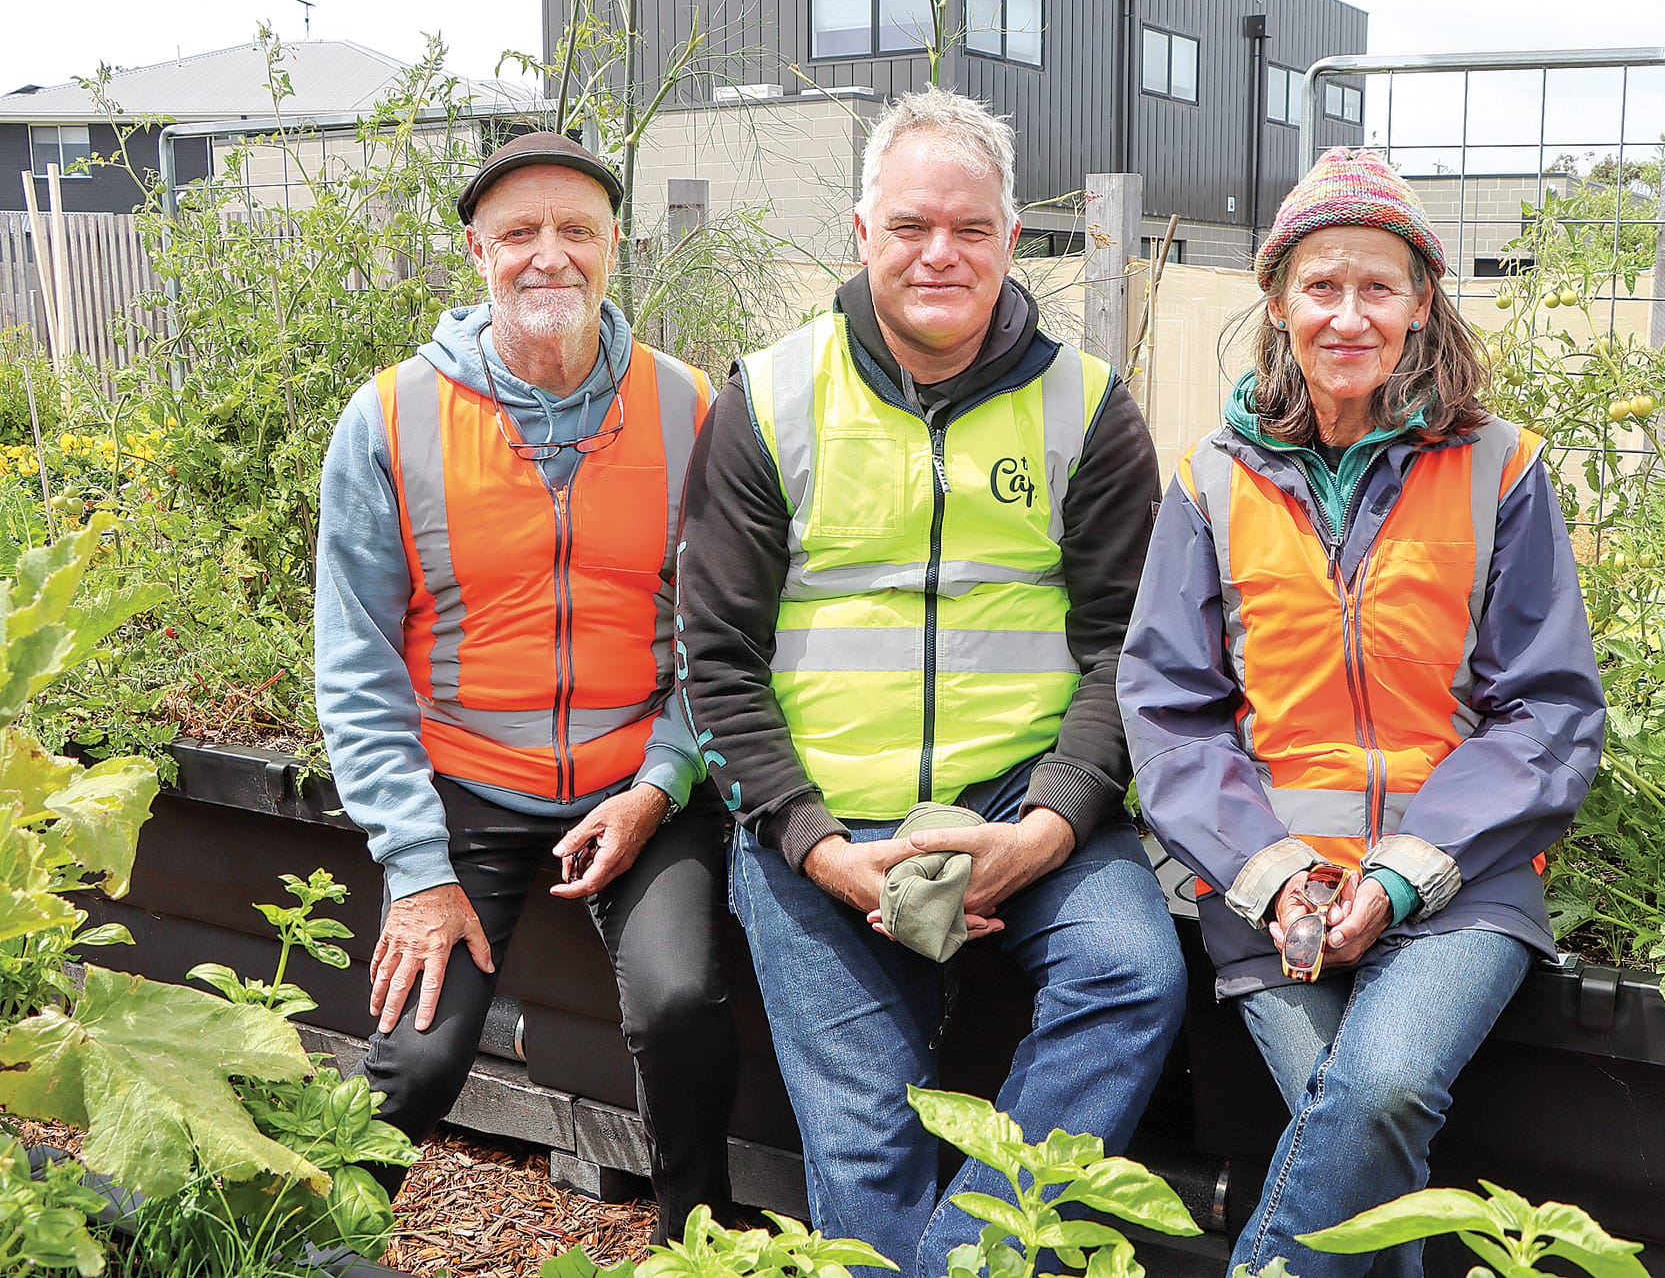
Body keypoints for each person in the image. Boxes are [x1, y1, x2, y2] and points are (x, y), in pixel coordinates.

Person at [675, 86, 1186, 1274]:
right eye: (910, 227)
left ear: (1013, 239)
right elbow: (714, 660)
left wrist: (1055, 822)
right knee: (861, 1145)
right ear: (860, 235)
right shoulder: (767, 398)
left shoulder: (1090, 410)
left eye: (969, 229)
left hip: (1023, 798)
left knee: (1130, 973)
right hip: (824, 817)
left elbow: (1130, 650)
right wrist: (808, 839)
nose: (939, 255)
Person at [1117, 148, 1606, 1276]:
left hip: (1457, 885)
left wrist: (1396, 879)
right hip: (1270, 892)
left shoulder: (1499, 469)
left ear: (1420, 301)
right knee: (1367, 1149)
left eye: (1376, 287)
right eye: (1320, 286)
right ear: (1277, 300)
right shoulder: (1210, 481)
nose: (1347, 315)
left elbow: (1546, 709)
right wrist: (1277, 871)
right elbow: (1167, 708)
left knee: (1376, 1090)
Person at [314, 131, 737, 1241]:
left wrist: (660, 780)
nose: (547, 256)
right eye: (517, 234)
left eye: (575, 231)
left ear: (613, 248)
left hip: (639, 784)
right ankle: (295, 1244)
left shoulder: (690, 408)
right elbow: (355, 664)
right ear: (476, 253)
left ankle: (698, 1245)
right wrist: (415, 866)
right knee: (416, 1050)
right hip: (466, 790)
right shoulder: (391, 419)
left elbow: (723, 633)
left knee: (684, 1003)